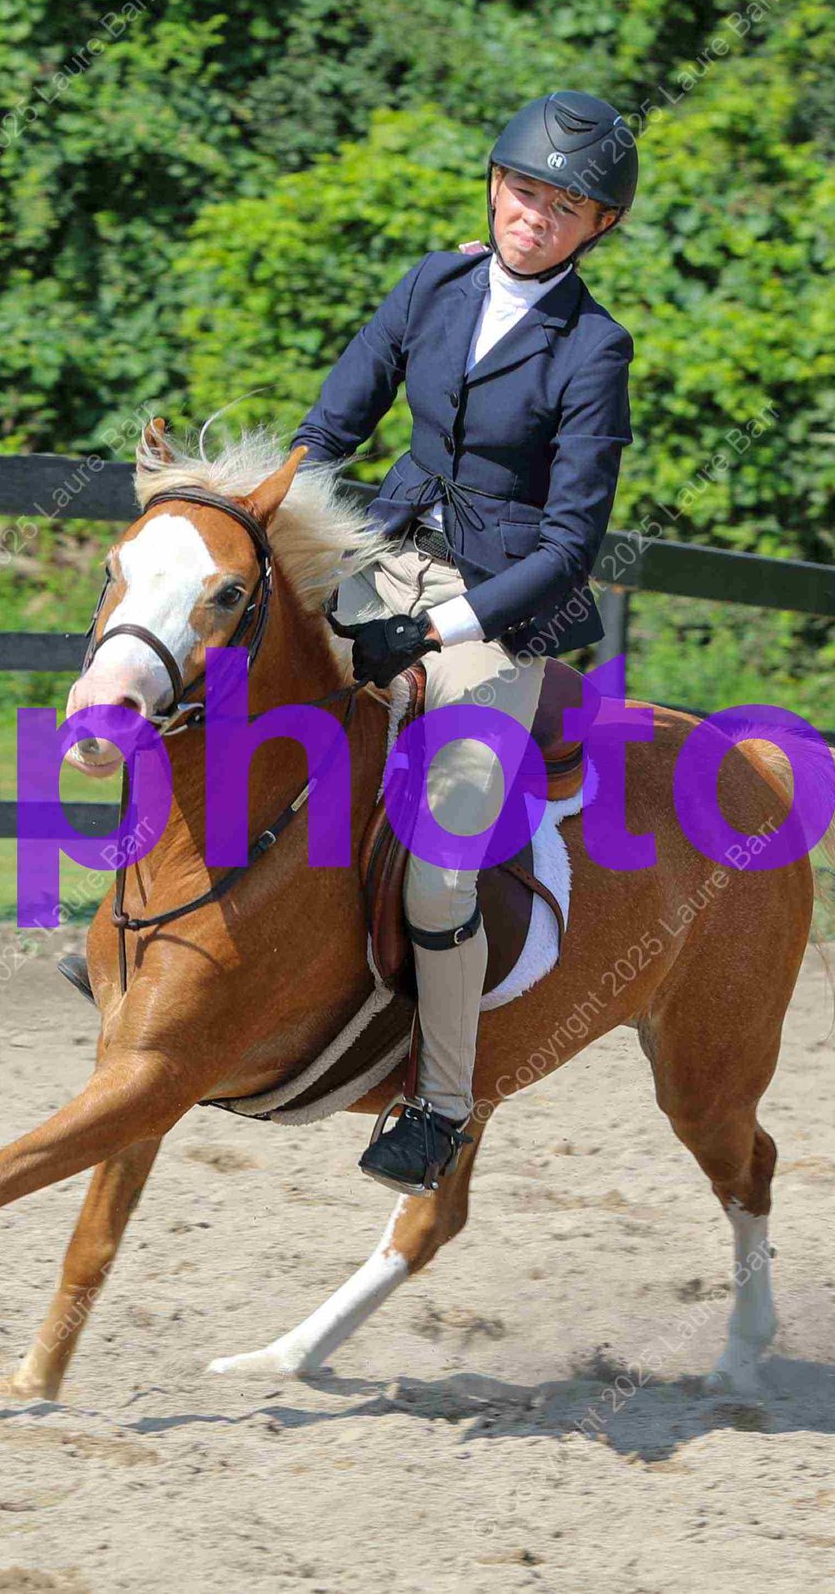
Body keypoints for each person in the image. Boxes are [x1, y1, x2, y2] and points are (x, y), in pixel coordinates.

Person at [292, 89, 639, 1194]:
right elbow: (330, 430)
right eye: (523, 191)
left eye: (563, 206)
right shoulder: (430, 286)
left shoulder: (595, 348)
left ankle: (439, 1105)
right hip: (380, 551)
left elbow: (571, 544)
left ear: (598, 227)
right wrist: (268, 521)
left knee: (441, 878)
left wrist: (432, 629)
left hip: (494, 614)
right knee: (220, 674)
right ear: (494, 186)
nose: (535, 216)